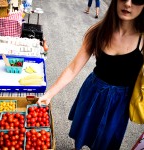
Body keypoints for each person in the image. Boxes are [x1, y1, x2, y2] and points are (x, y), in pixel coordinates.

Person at [37, 0, 144, 149]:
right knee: (83, 132)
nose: (127, 4)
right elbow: (73, 68)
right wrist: (49, 94)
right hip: (93, 92)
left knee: (105, 142)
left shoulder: (142, 40)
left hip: (119, 103)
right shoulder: (98, 31)